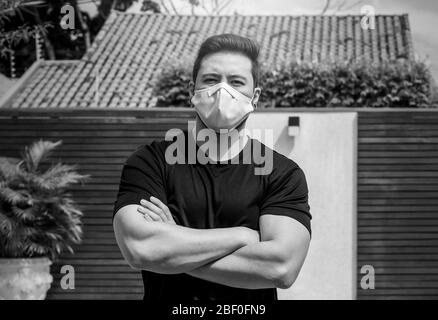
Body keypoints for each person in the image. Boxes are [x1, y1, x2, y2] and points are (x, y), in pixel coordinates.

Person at [112, 33, 312, 301]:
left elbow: (280, 267)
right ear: (191, 91)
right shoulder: (151, 162)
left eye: (236, 82)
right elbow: (141, 248)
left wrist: (173, 247)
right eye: (210, 79)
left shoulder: (282, 173)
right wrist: (243, 236)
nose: (222, 90)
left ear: (254, 97)